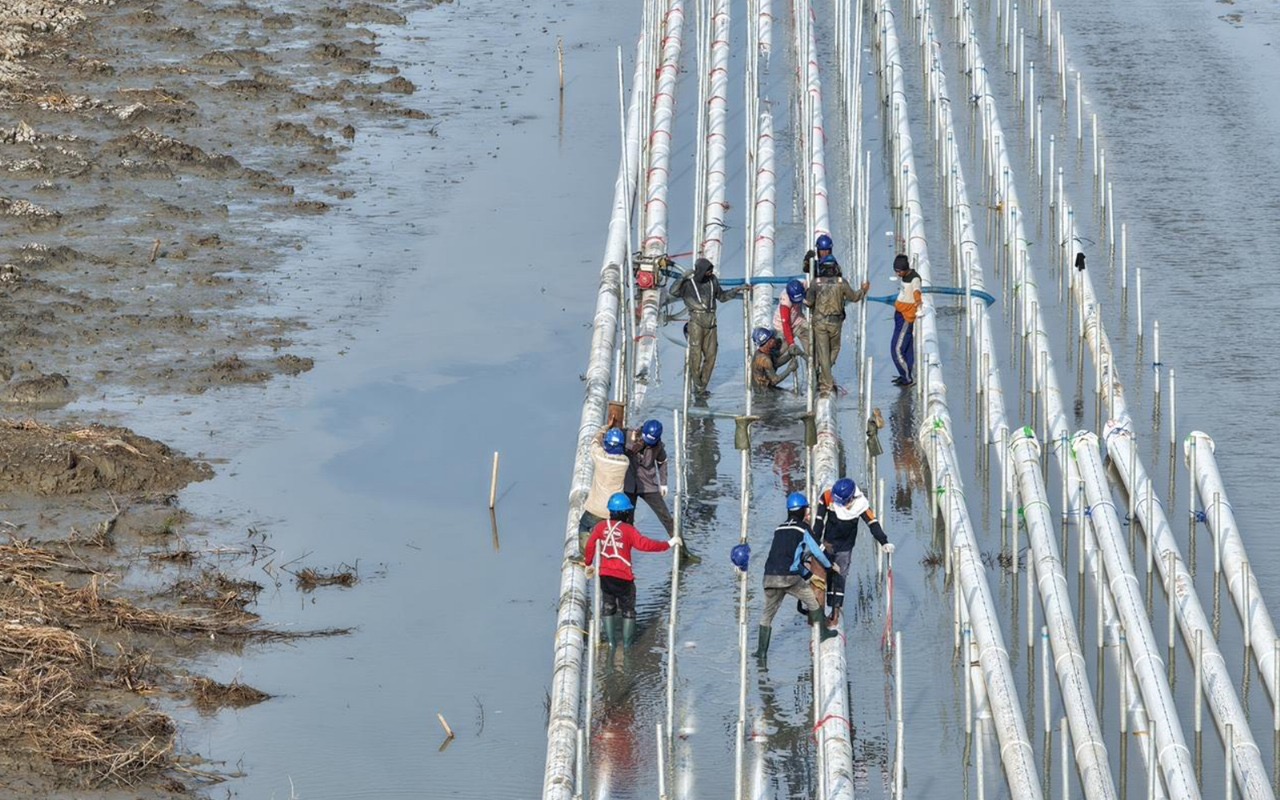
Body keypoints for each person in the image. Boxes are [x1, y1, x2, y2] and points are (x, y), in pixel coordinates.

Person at [583, 493, 680, 646]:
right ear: (627, 512)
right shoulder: (628, 530)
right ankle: (627, 646)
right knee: (628, 610)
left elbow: (590, 546)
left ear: (610, 511)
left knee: (608, 606)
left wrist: (588, 564)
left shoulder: (600, 527)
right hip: (624, 578)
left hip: (605, 576)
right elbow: (646, 545)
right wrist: (668, 544)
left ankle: (611, 643)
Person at [752, 492, 838, 663]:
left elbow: (788, 558)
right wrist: (829, 566)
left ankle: (761, 653)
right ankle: (823, 633)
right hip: (789, 578)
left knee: (767, 615)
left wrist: (809, 575)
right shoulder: (803, 528)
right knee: (812, 601)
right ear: (803, 511)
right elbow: (817, 551)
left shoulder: (779, 529)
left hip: (769, 577)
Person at [814, 478, 893, 625]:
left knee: (840, 577)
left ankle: (835, 612)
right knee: (824, 576)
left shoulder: (861, 505)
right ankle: (820, 612)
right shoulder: (828, 496)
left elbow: (872, 523)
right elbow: (819, 521)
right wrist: (815, 543)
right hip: (828, 543)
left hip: (845, 546)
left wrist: (884, 541)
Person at [670, 257, 746, 398]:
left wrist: (736, 290)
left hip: (711, 322)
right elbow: (673, 291)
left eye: (711, 270)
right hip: (696, 322)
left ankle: (701, 387)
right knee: (696, 355)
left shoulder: (712, 281)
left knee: (711, 355)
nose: (710, 273)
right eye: (707, 270)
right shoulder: (688, 284)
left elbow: (722, 297)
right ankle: (696, 384)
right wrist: (682, 277)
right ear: (701, 271)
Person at [805, 255, 870, 394]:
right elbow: (854, 297)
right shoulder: (842, 282)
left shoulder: (815, 282)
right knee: (834, 348)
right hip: (835, 322)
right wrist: (863, 290)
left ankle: (824, 377)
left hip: (819, 321)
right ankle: (826, 380)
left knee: (823, 352)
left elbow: (809, 302)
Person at [579, 427, 630, 538]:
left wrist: (603, 429)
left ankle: (584, 549)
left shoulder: (600, 456)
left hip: (596, 509)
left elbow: (594, 442)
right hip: (615, 510)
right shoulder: (625, 462)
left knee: (584, 526)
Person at [891, 254, 923, 387]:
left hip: (905, 318)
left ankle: (907, 378)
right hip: (899, 315)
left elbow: (916, 292)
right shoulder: (905, 276)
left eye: (899, 271)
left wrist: (918, 302)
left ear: (905, 269)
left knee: (896, 349)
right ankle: (906, 374)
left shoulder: (915, 279)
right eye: (896, 271)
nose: (897, 274)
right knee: (907, 348)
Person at [750, 327, 800, 391]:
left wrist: (789, 355)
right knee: (790, 394)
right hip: (764, 392)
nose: (775, 339)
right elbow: (775, 380)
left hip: (765, 388)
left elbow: (775, 364)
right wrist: (789, 369)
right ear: (769, 342)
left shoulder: (761, 352)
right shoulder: (765, 359)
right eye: (772, 338)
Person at [772, 278, 811, 358]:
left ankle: (812, 361)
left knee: (811, 342)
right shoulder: (785, 302)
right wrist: (791, 343)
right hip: (782, 327)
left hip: (798, 320)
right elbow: (786, 324)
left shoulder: (804, 284)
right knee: (777, 355)